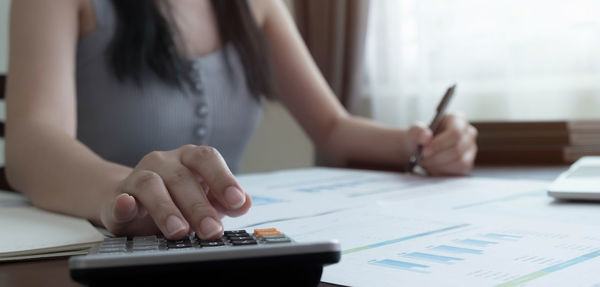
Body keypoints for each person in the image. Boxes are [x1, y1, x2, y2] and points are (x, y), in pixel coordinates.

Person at [5, 0, 478, 241]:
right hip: (93, 253)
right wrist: (124, 189)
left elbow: (332, 128)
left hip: (219, 251)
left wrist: (424, 143)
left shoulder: (256, 5)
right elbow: (30, 143)